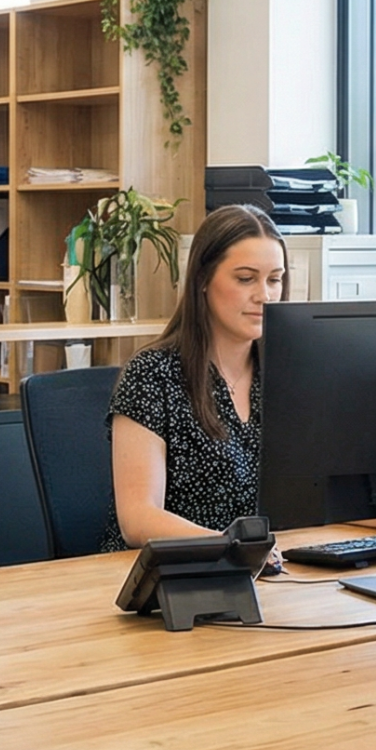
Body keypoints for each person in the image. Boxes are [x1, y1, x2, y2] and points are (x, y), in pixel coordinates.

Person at [102, 203, 287, 550]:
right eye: (246, 279)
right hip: (166, 579)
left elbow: (313, 492)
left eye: (274, 279)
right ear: (203, 280)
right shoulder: (152, 376)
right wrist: (233, 547)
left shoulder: (287, 374)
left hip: (266, 573)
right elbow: (137, 518)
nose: (265, 295)